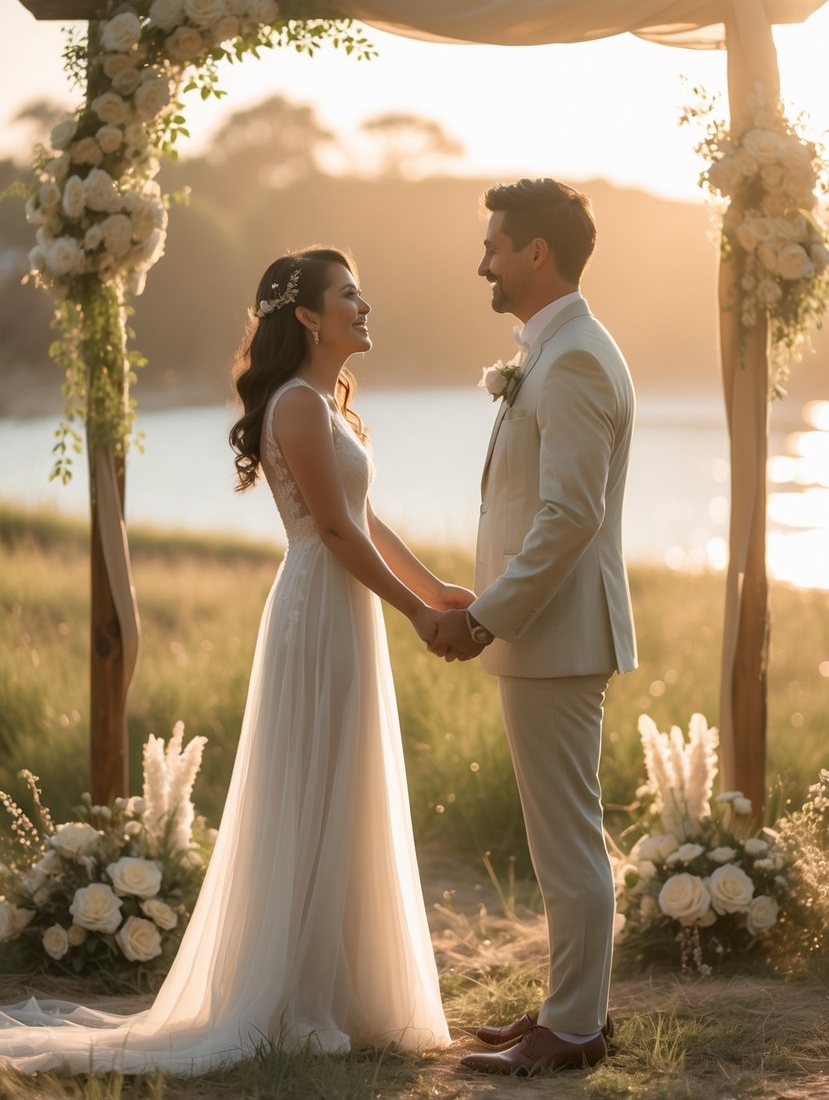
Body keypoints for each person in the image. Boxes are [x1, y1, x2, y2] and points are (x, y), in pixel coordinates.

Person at [0, 246, 466, 1075]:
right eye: (349, 296)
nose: (365, 307)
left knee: (344, 780)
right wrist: (413, 617)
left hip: (341, 607)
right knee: (315, 783)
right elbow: (330, 532)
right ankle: (297, 995)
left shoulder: (324, 404)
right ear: (308, 317)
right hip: (318, 612)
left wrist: (436, 591)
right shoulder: (293, 404)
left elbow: (362, 516)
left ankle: (346, 993)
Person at [429, 179, 637, 1077]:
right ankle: (566, 1009)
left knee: (568, 842)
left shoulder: (577, 358)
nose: (482, 260)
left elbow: (569, 516)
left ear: (534, 254)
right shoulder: (554, 352)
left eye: (493, 245)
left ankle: (576, 1031)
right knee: (560, 840)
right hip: (542, 636)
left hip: (553, 634)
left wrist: (486, 616)